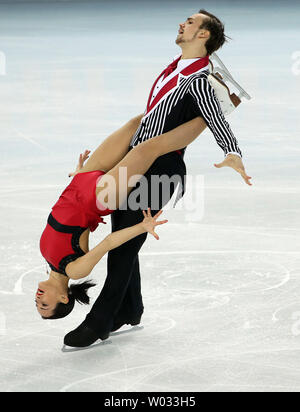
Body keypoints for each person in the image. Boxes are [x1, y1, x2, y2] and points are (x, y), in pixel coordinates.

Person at [64, 9, 252, 348]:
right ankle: (131, 309)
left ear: (204, 36)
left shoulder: (198, 80)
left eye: (191, 22)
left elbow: (215, 117)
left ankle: (101, 321)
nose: (183, 23)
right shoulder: (176, 67)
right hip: (138, 163)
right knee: (122, 236)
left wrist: (232, 152)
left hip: (160, 171)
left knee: (122, 246)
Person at [37, 115, 210, 322]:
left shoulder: (49, 260)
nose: (38, 299)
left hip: (82, 180)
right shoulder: (74, 270)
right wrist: (142, 226)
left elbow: (62, 211)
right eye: (45, 304)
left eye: (37, 304)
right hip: (100, 196)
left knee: (135, 124)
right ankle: (211, 113)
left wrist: (79, 172)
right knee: (148, 148)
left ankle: (179, 98)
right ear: (64, 298)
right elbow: (109, 242)